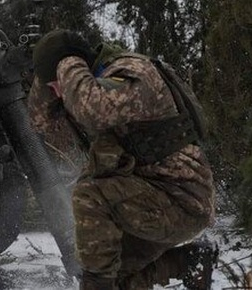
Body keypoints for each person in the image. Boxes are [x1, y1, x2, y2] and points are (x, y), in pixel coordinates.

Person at [28, 29, 217, 290]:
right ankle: (188, 262)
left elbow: (94, 111)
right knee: (113, 273)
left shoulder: (133, 72)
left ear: (77, 65)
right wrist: (48, 71)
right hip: (148, 200)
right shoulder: (92, 81)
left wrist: (66, 63)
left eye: (57, 84)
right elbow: (39, 121)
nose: (59, 94)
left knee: (91, 194)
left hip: (181, 200)